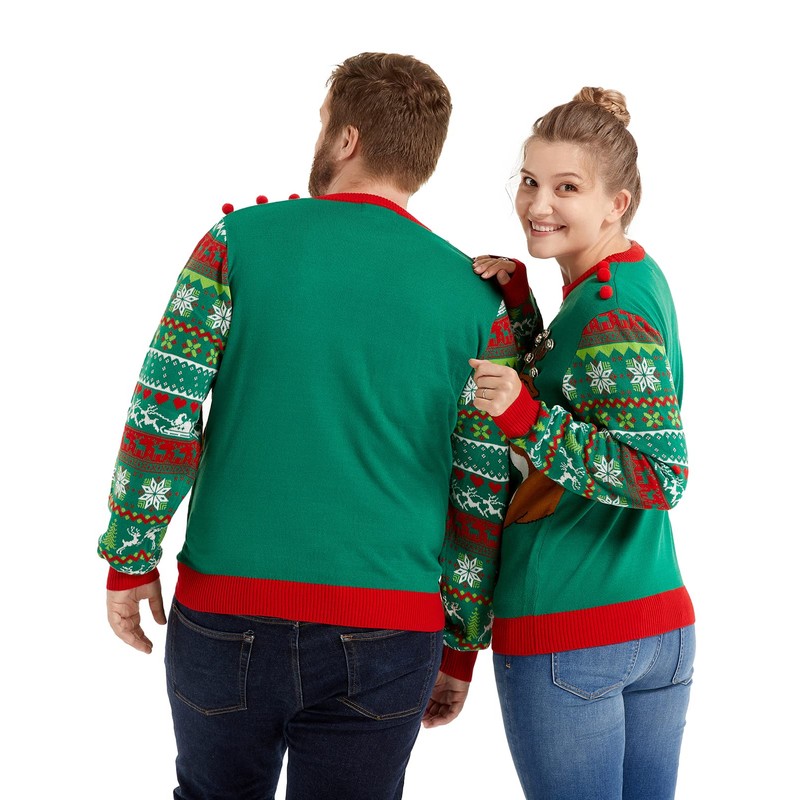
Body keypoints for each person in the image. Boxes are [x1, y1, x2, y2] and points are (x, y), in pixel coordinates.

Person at [98, 52, 522, 800]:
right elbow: (480, 492)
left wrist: (131, 555)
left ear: (347, 138)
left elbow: (165, 407)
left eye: (324, 123)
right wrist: (461, 643)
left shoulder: (236, 242)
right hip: (391, 629)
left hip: (226, 609)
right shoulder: (477, 300)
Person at [468, 88, 695, 800]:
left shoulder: (609, 309)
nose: (538, 204)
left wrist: (522, 417)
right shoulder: (621, 279)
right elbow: (591, 393)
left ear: (616, 203)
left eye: (567, 187)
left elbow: (659, 475)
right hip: (652, 619)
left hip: (572, 625)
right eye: (530, 181)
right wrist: (521, 308)